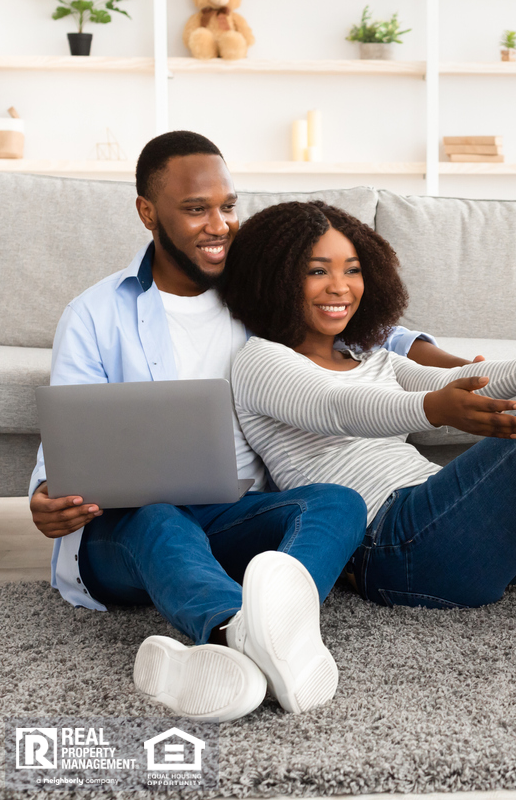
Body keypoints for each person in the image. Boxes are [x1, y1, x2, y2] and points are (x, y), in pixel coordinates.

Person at [27, 131, 473, 721]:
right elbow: (69, 435)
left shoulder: (256, 290)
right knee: (159, 519)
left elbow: (354, 314)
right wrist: (43, 497)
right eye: (195, 209)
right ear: (147, 212)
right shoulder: (96, 313)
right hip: (127, 531)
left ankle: (240, 657)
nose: (220, 225)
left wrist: (442, 363)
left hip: (238, 513)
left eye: (228, 206)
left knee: (336, 504)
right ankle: (236, 632)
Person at [220, 200, 516, 611]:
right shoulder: (260, 359)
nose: (340, 287)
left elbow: (448, 382)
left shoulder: (369, 355)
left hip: (438, 526)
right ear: (275, 279)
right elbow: (340, 406)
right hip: (393, 544)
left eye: (352, 270)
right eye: (318, 271)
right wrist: (433, 409)